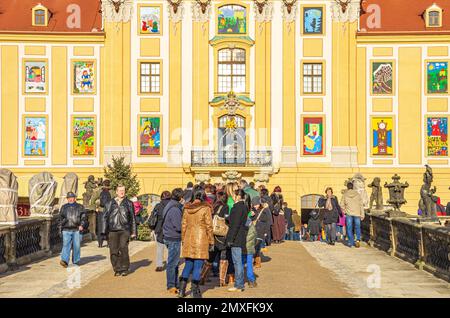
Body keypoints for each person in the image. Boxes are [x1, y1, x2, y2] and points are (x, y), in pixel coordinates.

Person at [178, 189, 214, 298]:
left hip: (189, 238)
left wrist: (183, 239)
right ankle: (194, 291)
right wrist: (211, 241)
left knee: (188, 264)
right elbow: (209, 226)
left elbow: (183, 225)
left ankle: (181, 290)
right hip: (201, 239)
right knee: (198, 265)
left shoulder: (187, 208)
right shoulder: (205, 208)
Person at [102, 184, 137, 276]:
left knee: (123, 248)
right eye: (120, 190)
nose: (122, 192)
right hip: (112, 230)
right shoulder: (109, 203)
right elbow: (104, 218)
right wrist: (103, 232)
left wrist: (134, 232)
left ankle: (124, 267)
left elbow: (133, 218)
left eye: (123, 190)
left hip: (124, 230)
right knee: (113, 251)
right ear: (116, 192)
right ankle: (117, 268)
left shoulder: (129, 203)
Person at [201, 191, 229, 287]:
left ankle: (202, 277)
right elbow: (226, 219)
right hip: (221, 235)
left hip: (212, 234)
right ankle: (222, 281)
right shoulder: (225, 207)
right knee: (223, 257)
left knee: (210, 257)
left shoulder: (213, 206)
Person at [225, 189, 250, 292]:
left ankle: (239, 285)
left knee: (237, 262)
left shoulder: (237, 207)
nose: (232, 197)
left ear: (238, 196)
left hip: (236, 238)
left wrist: (230, 239)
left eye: (233, 196)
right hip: (241, 236)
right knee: (238, 261)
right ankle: (239, 284)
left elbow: (235, 225)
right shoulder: (244, 206)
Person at [162, 188, 184, 295]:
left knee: (174, 262)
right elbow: (178, 226)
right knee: (172, 263)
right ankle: (171, 285)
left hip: (169, 236)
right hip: (173, 238)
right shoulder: (175, 209)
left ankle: (175, 283)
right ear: (180, 197)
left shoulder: (170, 204)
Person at [59, 191, 88, 267]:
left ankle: (75, 260)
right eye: (69, 198)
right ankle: (64, 260)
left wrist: (82, 225)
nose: (70, 199)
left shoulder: (80, 207)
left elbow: (84, 217)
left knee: (76, 246)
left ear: (75, 198)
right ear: (67, 199)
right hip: (66, 229)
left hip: (77, 230)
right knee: (66, 245)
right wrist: (60, 228)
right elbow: (60, 218)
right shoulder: (64, 207)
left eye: (72, 197)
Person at [149, 191, 171, 272]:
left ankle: (159, 265)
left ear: (161, 197)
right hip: (170, 229)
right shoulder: (173, 205)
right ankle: (170, 264)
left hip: (159, 229)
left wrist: (152, 228)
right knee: (170, 248)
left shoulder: (158, 206)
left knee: (159, 248)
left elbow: (152, 217)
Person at [341, 181, 364, 248]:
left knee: (349, 228)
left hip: (349, 213)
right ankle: (357, 240)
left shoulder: (345, 195)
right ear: (353, 187)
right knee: (357, 227)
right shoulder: (358, 194)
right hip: (357, 213)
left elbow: (342, 205)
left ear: (347, 187)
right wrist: (362, 214)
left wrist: (345, 211)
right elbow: (361, 205)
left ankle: (350, 242)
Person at [92, 179, 114, 248]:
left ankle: (100, 243)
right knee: (109, 227)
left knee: (100, 227)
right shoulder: (112, 192)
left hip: (101, 211)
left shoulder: (99, 191)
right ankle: (109, 243)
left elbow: (92, 200)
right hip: (110, 211)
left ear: (103, 184)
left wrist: (97, 206)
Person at [244, 197, 259, 287]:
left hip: (240, 243)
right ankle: (251, 280)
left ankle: (239, 281)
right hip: (249, 244)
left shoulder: (240, 216)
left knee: (240, 262)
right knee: (249, 262)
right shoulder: (250, 219)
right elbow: (254, 234)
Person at [254, 196, 271, 268]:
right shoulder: (253, 210)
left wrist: (266, 232)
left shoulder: (265, 210)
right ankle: (255, 261)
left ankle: (257, 262)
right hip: (254, 229)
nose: (255, 206)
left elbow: (269, 221)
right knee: (254, 246)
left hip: (261, 230)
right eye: (254, 204)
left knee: (257, 247)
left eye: (256, 204)